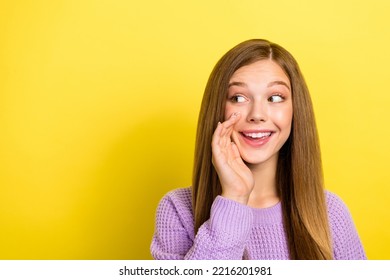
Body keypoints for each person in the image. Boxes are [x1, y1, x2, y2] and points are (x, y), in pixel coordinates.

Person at [150, 39, 366, 260]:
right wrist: (234, 197)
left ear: (295, 110)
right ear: (218, 109)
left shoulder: (331, 213)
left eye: (275, 98)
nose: (257, 114)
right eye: (239, 98)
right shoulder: (178, 210)